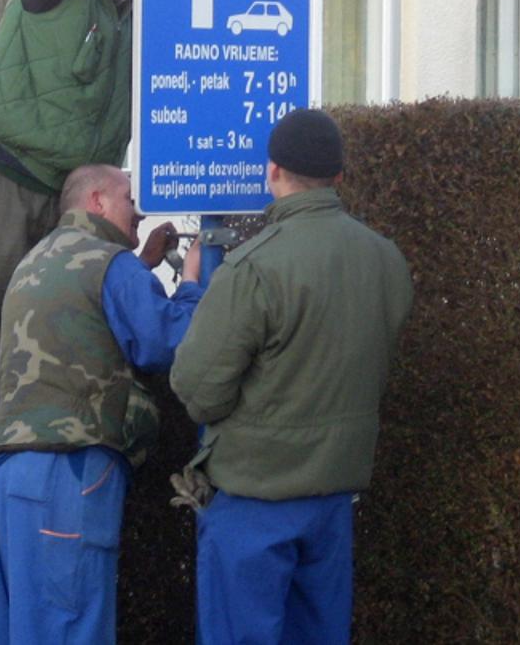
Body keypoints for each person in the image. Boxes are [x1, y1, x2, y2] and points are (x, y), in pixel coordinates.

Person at [0, 0, 197, 541]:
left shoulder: (135, 19)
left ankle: (47, 470)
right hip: (5, 177)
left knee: (65, 323)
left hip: (73, 196)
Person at [169, 109, 414, 644]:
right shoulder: (386, 260)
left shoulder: (253, 267)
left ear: (272, 170)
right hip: (334, 497)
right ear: (339, 177)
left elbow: (197, 389)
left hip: (255, 498)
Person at [0, 164, 203, 645]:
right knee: (73, 625)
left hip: (7, 473)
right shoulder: (110, 264)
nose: (139, 210)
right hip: (68, 472)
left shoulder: (35, 260)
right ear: (97, 201)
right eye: (128, 199)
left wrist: (141, 262)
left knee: (22, 631)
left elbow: (85, 309)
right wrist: (190, 284)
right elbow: (166, 342)